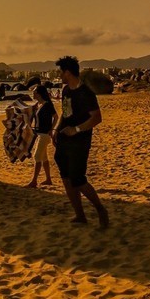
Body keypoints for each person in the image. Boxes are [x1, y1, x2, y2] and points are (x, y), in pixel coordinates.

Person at [52, 55, 109, 227]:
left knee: (78, 179)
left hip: (79, 142)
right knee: (66, 177)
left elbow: (97, 117)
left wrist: (76, 129)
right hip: (63, 140)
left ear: (68, 73)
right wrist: (56, 130)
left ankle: (100, 209)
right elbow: (65, 113)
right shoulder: (66, 90)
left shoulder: (86, 94)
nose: (59, 75)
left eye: (60, 72)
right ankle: (80, 215)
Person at [25, 84, 56, 188]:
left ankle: (34, 181)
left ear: (38, 93)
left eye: (34, 92)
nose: (32, 94)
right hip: (38, 133)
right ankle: (48, 179)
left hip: (45, 134)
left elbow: (56, 117)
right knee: (43, 157)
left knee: (37, 156)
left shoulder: (47, 104)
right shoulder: (38, 105)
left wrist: (51, 129)